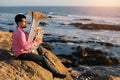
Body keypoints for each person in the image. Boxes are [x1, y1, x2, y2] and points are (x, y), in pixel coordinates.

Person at [12, 14, 66, 78]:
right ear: (19, 23)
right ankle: (55, 73)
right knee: (42, 59)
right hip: (22, 54)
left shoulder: (18, 30)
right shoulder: (20, 33)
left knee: (38, 45)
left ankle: (41, 56)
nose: (26, 23)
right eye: (24, 21)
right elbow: (25, 47)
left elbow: (28, 37)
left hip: (19, 52)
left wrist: (36, 33)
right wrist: (36, 42)